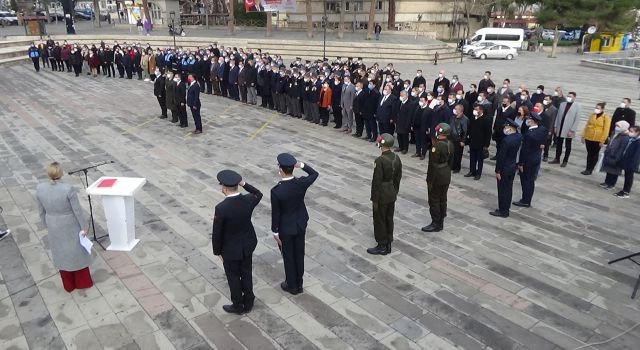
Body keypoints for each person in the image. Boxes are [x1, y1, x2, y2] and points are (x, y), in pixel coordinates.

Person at [36, 162, 92, 293]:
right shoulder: (68, 189)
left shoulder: (40, 188)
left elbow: (40, 210)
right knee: (76, 252)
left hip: (52, 222)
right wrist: (84, 226)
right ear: (60, 173)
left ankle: (69, 284)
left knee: (60, 252)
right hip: (69, 223)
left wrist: (45, 224)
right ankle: (82, 282)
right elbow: (77, 210)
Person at [212, 170, 263, 314]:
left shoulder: (221, 208)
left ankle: (238, 305)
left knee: (233, 277)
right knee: (246, 273)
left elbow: (217, 233)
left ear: (224, 188)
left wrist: (217, 252)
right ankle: (249, 300)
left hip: (230, 249)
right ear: (237, 186)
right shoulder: (248, 200)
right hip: (247, 245)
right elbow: (259, 193)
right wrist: (244, 183)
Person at [270, 154, 318, 295]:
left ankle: (291, 285)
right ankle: (299, 283)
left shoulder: (277, 191)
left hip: (285, 228)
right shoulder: (300, 183)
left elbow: (276, 214)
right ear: (293, 168)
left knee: (288, 256)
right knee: (299, 254)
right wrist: (301, 165)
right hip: (300, 223)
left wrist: (275, 231)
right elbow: (314, 173)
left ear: (280, 169)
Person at [367, 134, 402, 255]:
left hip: (381, 194)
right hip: (391, 192)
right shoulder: (396, 158)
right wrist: (394, 191)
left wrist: (374, 198)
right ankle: (388, 242)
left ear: (382, 144)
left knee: (380, 219)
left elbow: (376, 182)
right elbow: (398, 178)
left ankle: (382, 245)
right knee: (389, 218)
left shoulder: (380, 160)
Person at [422, 123, 454, 232]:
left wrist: (429, 180)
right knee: (442, 198)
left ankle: (435, 222)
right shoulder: (450, 144)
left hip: (437, 176)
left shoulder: (436, 146)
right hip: (446, 173)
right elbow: (451, 161)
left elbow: (432, 165)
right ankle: (441, 220)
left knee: (434, 199)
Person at [513, 113, 547, 208]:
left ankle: (525, 200)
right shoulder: (541, 129)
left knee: (526, 181)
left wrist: (520, 163)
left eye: (529, 119)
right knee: (531, 181)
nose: (527, 121)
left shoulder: (529, 134)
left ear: (532, 121)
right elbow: (544, 139)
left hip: (528, 160)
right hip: (536, 158)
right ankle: (528, 199)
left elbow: (524, 150)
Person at [490, 119, 522, 218]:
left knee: (502, 190)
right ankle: (505, 208)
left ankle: (503, 211)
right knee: (508, 189)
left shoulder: (506, 141)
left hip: (504, 168)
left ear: (510, 128)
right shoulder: (518, 137)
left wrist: (497, 170)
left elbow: (501, 157)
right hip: (512, 166)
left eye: (506, 127)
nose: (505, 129)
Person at [551, 91, 581, 167]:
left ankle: (565, 160)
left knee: (568, 145)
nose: (569, 97)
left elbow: (577, 119)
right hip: (560, 127)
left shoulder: (577, 106)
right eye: (568, 96)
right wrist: (555, 126)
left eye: (570, 96)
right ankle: (557, 158)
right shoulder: (562, 104)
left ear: (574, 97)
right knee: (559, 144)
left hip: (569, 129)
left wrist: (572, 130)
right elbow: (558, 116)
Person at [581, 102, 611, 175]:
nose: (596, 109)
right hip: (589, 137)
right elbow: (587, 125)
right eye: (596, 107)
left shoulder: (606, 117)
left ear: (602, 109)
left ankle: (590, 169)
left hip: (598, 138)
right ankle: (587, 168)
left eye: (598, 108)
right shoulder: (592, 115)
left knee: (594, 154)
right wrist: (583, 136)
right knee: (589, 153)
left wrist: (602, 140)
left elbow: (606, 129)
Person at [600, 121, 631, 190]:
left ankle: (612, 184)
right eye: (616, 125)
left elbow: (622, 148)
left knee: (614, 172)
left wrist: (617, 157)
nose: (616, 127)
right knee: (608, 169)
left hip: (617, 156)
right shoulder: (614, 133)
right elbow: (610, 141)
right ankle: (607, 182)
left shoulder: (625, 137)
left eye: (618, 126)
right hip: (610, 153)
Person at [465, 105, 492, 180]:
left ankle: (478, 173)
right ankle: (472, 171)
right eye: (474, 109)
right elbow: (469, 129)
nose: (475, 111)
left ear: (481, 110)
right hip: (472, 141)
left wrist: (486, 145)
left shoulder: (486, 119)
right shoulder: (473, 118)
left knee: (480, 159)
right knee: (472, 157)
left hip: (481, 143)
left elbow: (488, 133)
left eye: (476, 109)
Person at [613, 126, 640, 198]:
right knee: (627, 176)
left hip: (631, 163)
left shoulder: (638, 142)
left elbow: (637, 155)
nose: (629, 132)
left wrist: (632, 164)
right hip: (627, 161)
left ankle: (626, 192)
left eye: (632, 131)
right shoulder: (632, 139)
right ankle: (624, 190)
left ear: (637, 132)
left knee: (629, 177)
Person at [449, 104, 469, 173]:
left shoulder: (464, 119)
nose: (454, 110)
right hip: (451, 138)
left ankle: (457, 168)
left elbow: (465, 131)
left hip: (458, 140)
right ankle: (452, 166)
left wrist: (463, 141)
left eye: (456, 108)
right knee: (451, 153)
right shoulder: (453, 117)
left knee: (458, 155)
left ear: (460, 110)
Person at [540, 96, 558, 161]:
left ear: (550, 101)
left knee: (547, 142)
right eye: (544, 99)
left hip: (547, 127)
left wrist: (550, 130)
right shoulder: (542, 106)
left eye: (546, 99)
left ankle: (546, 155)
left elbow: (553, 121)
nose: (545, 100)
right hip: (540, 126)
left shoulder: (553, 109)